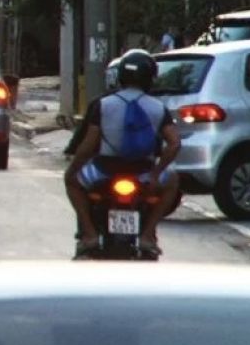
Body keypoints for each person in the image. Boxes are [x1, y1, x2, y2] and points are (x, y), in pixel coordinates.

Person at [65, 49, 181, 257]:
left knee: (72, 182)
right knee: (172, 182)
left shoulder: (103, 104)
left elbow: (88, 144)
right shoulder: (158, 107)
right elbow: (174, 143)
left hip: (104, 169)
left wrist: (74, 168)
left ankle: (89, 234)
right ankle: (147, 234)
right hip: (143, 171)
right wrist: (156, 173)